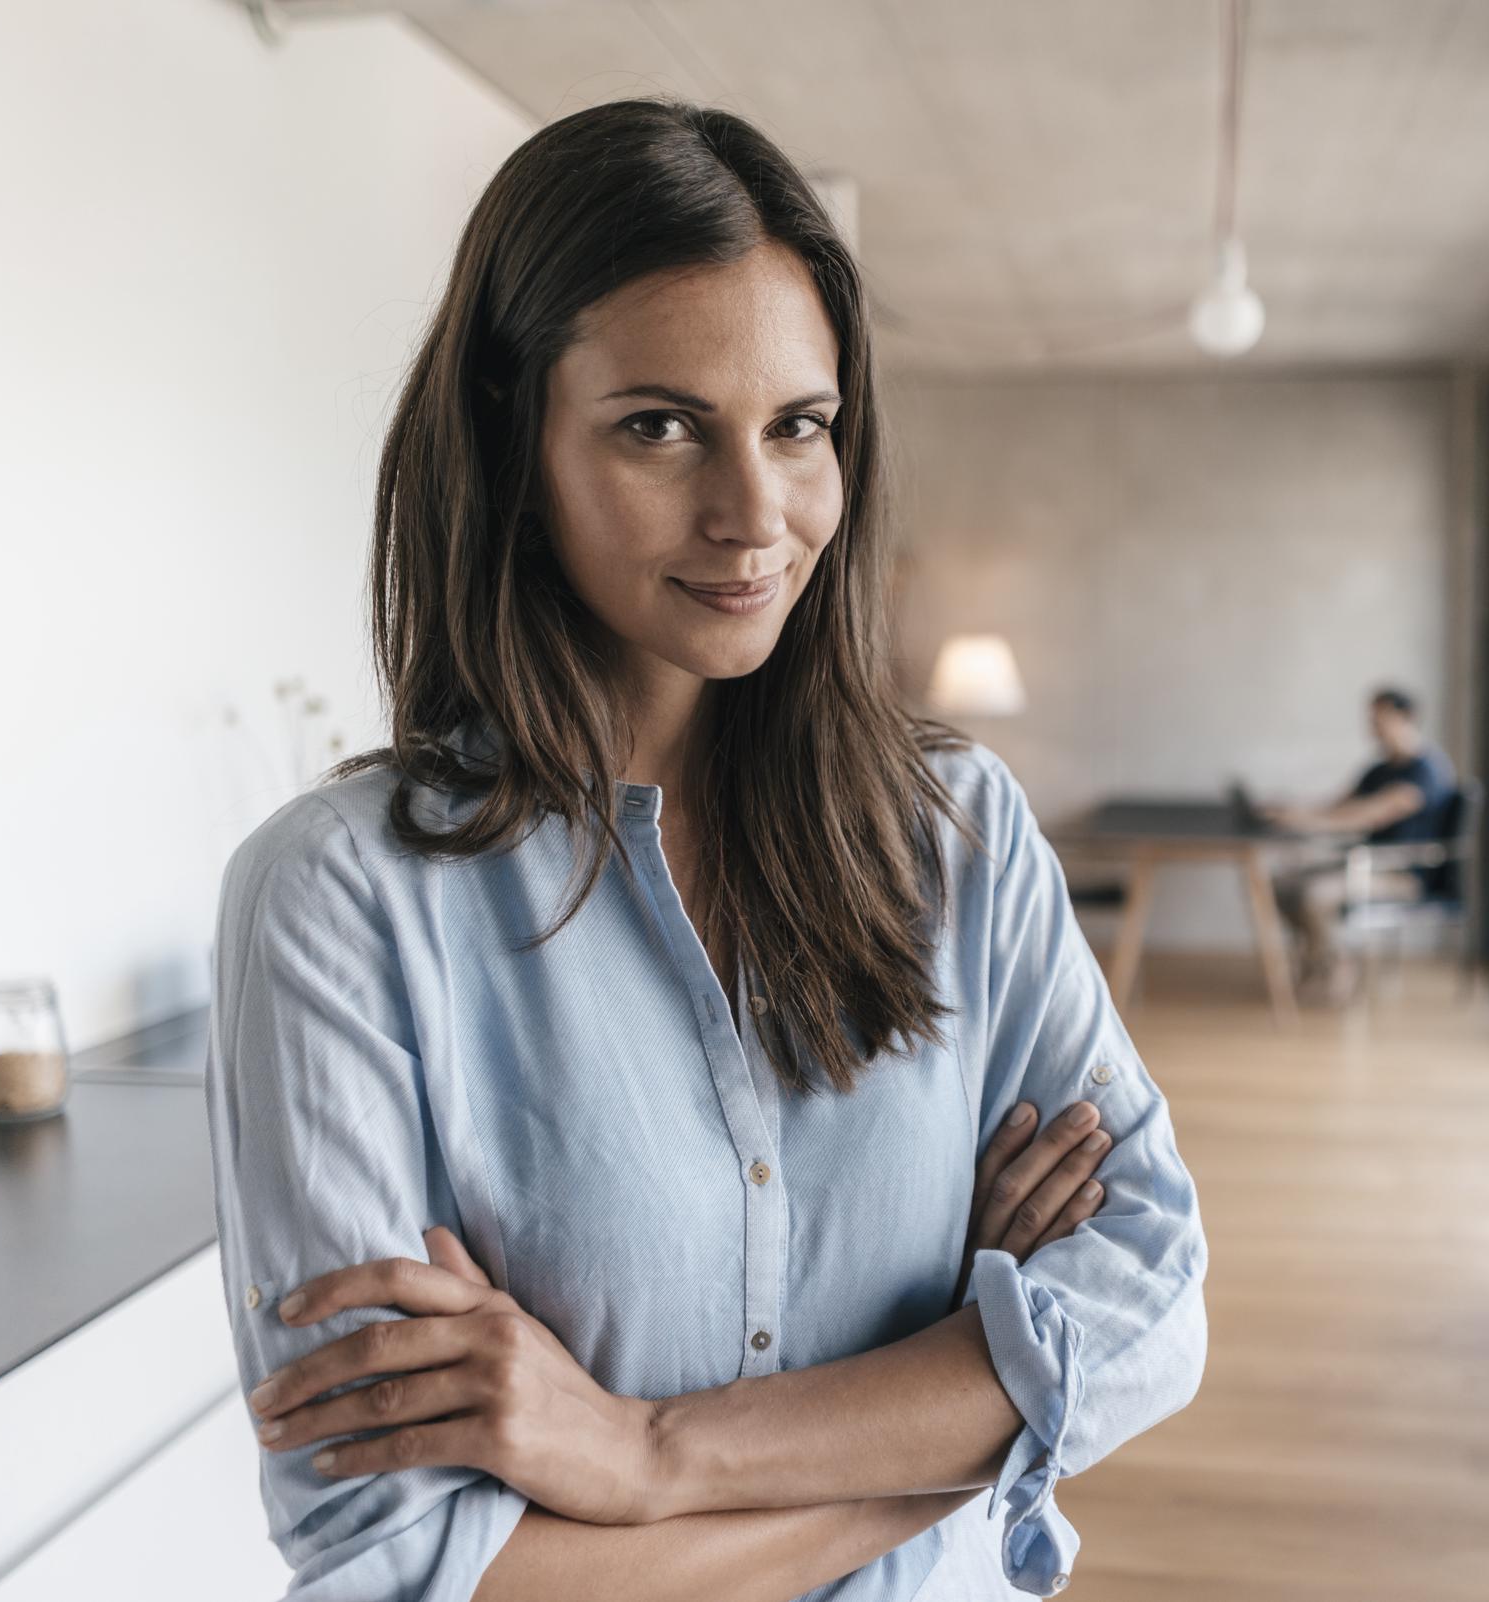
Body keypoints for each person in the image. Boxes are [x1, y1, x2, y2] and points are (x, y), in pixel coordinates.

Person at [204, 99, 1209, 1602]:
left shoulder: (962, 834)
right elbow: (402, 1566)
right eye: (659, 426)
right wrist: (974, 1393)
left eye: (800, 427)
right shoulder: (338, 902)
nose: (756, 515)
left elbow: (1151, 1310)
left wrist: (645, 1452)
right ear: (510, 433)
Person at [1258, 687, 1459, 998]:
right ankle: (1322, 958)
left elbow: (1370, 815)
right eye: (1371, 719)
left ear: (1407, 718)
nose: (1373, 727)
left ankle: (1338, 963)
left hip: (1404, 875)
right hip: (1366, 864)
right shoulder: (1379, 769)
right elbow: (1337, 805)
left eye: (1380, 719)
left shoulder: (1427, 771)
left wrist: (1304, 822)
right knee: (1278, 884)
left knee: (1315, 893)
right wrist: (1291, 809)